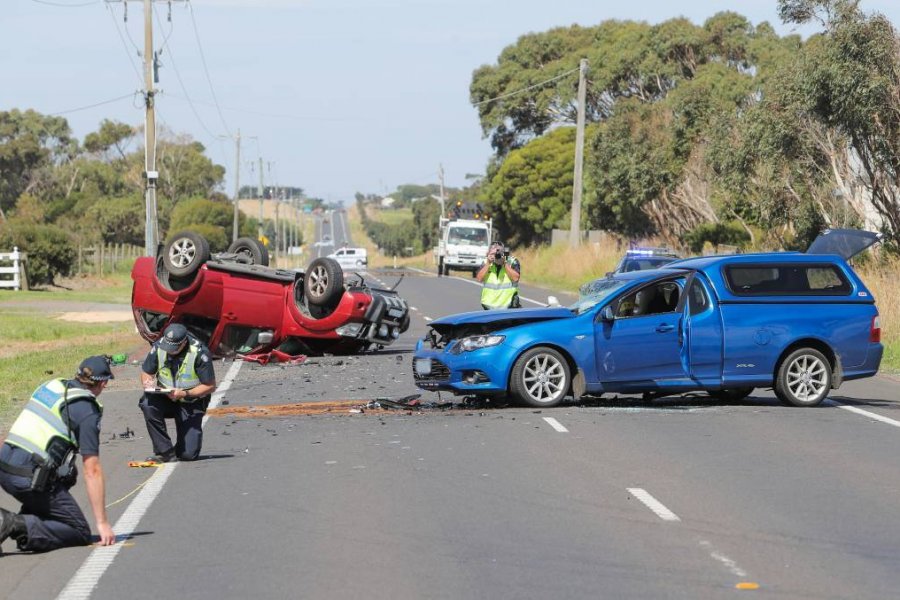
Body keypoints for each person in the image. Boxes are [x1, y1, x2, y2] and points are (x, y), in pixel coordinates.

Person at [0, 356, 116, 553]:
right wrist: (102, 522)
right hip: (28, 477)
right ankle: (13, 523)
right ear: (103, 383)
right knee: (79, 530)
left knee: (67, 474)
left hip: (4, 467)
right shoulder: (87, 410)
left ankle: (24, 526)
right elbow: (92, 470)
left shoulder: (51, 386)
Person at [139, 323, 217, 463]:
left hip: (191, 401)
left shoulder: (199, 352)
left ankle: (180, 448)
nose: (170, 351)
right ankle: (165, 452)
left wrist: (185, 394)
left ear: (184, 342)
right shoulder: (159, 346)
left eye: (174, 349)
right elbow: (146, 372)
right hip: (166, 398)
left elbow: (210, 386)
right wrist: (147, 382)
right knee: (147, 403)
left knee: (188, 455)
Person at [476, 241, 521, 310]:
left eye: (499, 253)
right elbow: (479, 278)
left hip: (508, 306)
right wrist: (488, 264)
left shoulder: (511, 261)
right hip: (489, 306)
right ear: (488, 254)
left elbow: (516, 278)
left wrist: (504, 264)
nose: (496, 256)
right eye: (493, 254)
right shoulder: (486, 262)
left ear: (504, 253)